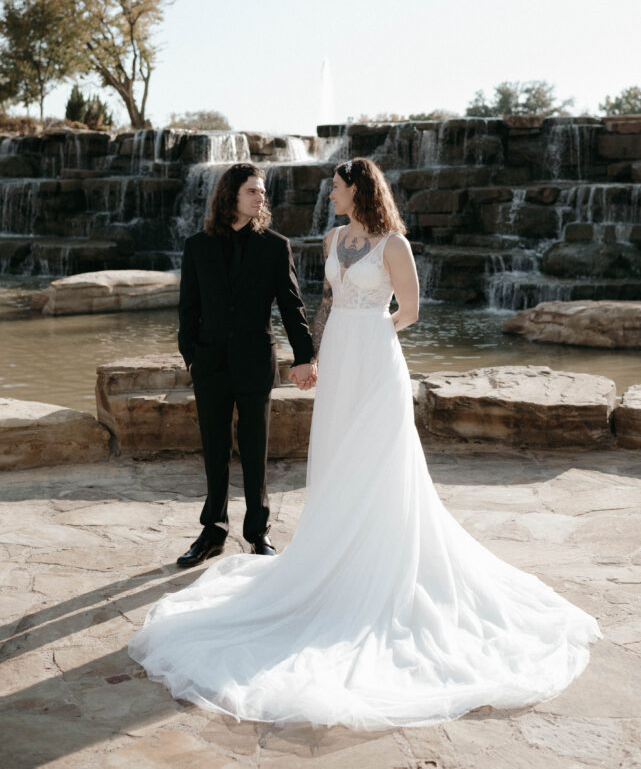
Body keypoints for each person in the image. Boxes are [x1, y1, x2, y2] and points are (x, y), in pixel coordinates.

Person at [129, 157, 600, 730]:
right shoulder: (330, 236)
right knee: (333, 459)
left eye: (336, 184)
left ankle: (350, 554)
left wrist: (371, 331)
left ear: (358, 189)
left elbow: (410, 310)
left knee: (378, 459)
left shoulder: (392, 244)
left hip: (375, 361)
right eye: (330, 184)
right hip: (336, 363)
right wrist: (315, 355)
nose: (329, 190)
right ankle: (293, 544)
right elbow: (321, 304)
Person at [174, 162, 316, 568]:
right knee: (214, 449)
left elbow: (292, 305)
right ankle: (213, 531)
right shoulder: (197, 246)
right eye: (253, 190)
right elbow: (188, 309)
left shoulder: (275, 245)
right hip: (210, 364)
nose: (261, 197)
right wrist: (192, 357)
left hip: (256, 361)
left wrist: (305, 356)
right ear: (231, 195)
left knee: (255, 450)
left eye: (263, 191)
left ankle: (258, 531)